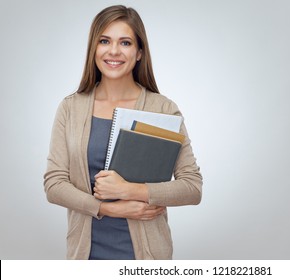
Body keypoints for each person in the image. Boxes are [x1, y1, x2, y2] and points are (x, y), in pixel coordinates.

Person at [43, 5, 202, 260]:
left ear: (139, 52)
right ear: (94, 48)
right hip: (85, 256)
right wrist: (108, 208)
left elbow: (192, 188)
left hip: (147, 259)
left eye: (125, 42)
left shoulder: (162, 108)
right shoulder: (71, 108)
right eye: (104, 40)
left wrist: (131, 191)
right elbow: (54, 184)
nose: (114, 51)